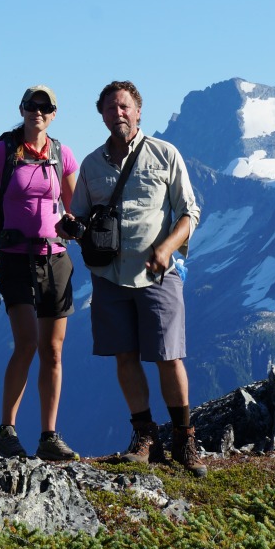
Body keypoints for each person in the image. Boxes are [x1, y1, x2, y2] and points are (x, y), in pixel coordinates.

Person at [58, 80, 207, 476]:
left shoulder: (165, 154)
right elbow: (82, 217)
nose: (117, 113)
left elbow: (189, 213)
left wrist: (166, 249)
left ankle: (184, 439)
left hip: (159, 275)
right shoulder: (90, 165)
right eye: (110, 108)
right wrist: (72, 227)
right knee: (125, 356)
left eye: (124, 107)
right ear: (102, 116)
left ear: (138, 112)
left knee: (168, 357)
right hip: (109, 277)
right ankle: (145, 438)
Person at [0, 85, 80, 461]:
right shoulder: (2, 150)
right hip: (15, 256)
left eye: (45, 107)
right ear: (21, 109)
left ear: (54, 113)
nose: (37, 111)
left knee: (53, 350)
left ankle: (49, 435)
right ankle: (7, 430)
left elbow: (74, 208)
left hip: (55, 257)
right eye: (31, 105)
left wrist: (74, 224)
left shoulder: (61, 154)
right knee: (26, 342)